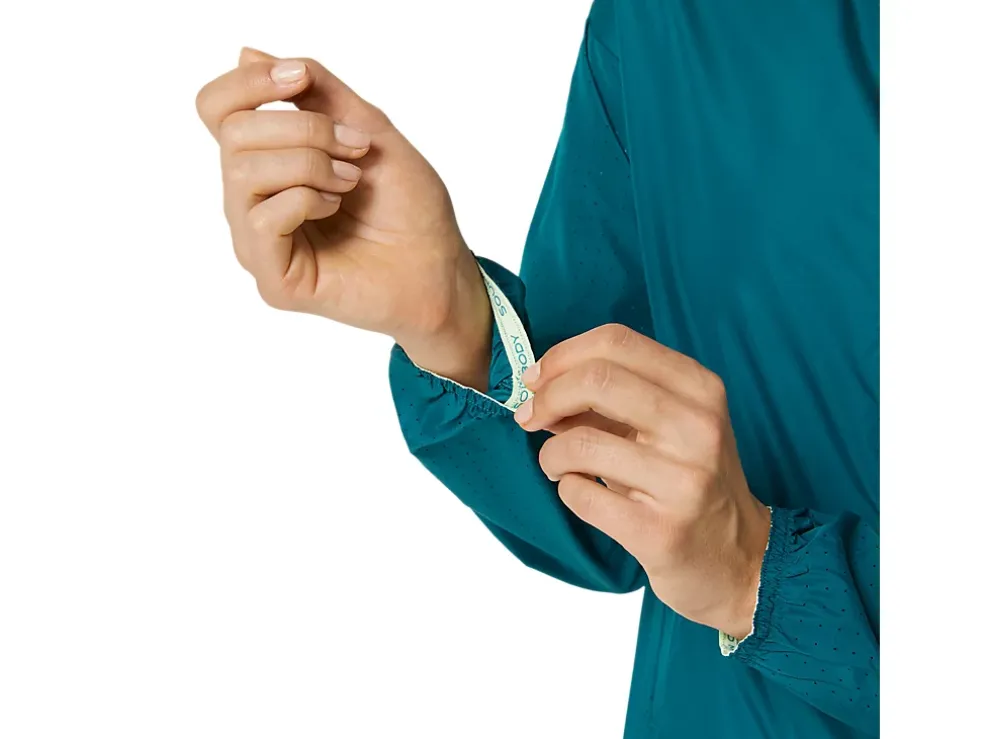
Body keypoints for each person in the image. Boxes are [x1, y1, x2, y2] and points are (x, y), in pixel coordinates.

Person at [195, 0, 879, 736]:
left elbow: (724, 554)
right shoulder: (665, 20)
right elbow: (612, 505)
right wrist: (456, 322)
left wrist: (757, 575)